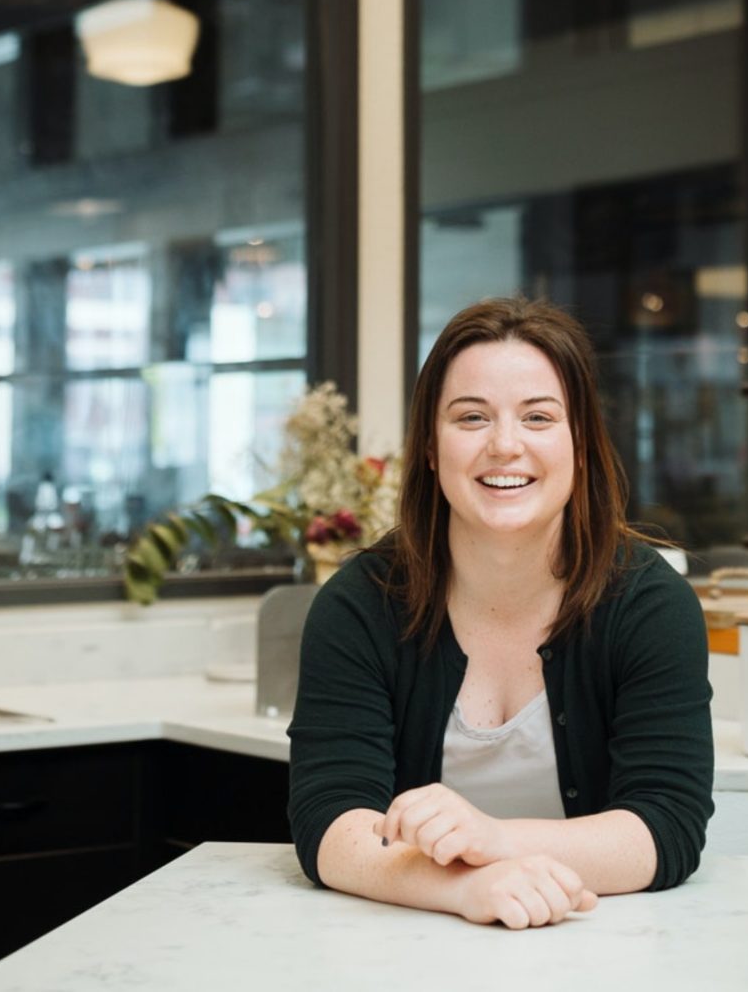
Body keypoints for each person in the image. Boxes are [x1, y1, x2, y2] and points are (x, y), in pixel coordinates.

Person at [287, 297, 715, 929]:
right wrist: (462, 890)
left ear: (581, 444)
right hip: (398, 954)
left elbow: (666, 825)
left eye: (538, 417)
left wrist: (496, 841)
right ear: (431, 448)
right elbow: (330, 821)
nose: (505, 446)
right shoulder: (360, 604)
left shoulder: (650, 605)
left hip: (603, 950)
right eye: (471, 418)